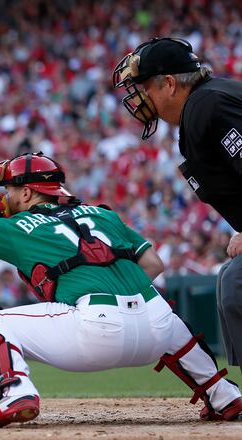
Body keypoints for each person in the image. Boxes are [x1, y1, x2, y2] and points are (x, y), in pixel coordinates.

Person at [0, 152, 242, 429]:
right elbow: (154, 265)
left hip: (96, 327)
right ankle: (222, 392)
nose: (0, 195)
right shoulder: (103, 214)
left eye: (8, 188)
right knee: (161, 307)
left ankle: (14, 391)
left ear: (28, 193)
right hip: (157, 329)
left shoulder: (15, 225)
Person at [113, 37, 242, 372]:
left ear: (169, 83)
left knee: (236, 285)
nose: (139, 98)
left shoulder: (208, 106)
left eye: (143, 87)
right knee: (230, 277)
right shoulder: (206, 103)